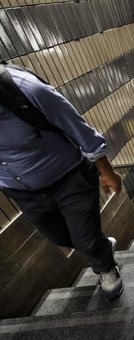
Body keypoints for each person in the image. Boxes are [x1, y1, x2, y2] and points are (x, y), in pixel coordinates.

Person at [0, 66, 124, 301]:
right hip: (23, 192)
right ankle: (101, 245)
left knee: (84, 239)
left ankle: (106, 267)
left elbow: (78, 128)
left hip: (70, 179)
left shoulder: (27, 88)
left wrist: (106, 172)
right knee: (60, 238)